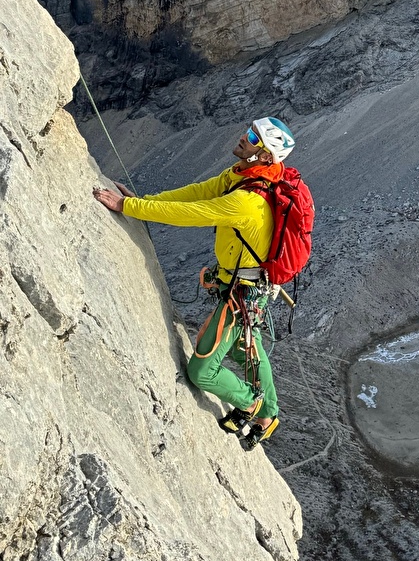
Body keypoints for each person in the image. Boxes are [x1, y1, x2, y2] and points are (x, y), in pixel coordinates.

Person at [93, 116, 296, 447]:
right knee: (250, 350)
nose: (243, 139)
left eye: (253, 139)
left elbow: (194, 214)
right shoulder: (243, 176)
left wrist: (129, 207)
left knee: (202, 372)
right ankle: (268, 414)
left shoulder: (248, 200)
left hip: (242, 295)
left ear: (265, 157)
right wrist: (147, 202)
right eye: (248, 131)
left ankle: (252, 404)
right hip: (243, 286)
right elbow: (198, 193)